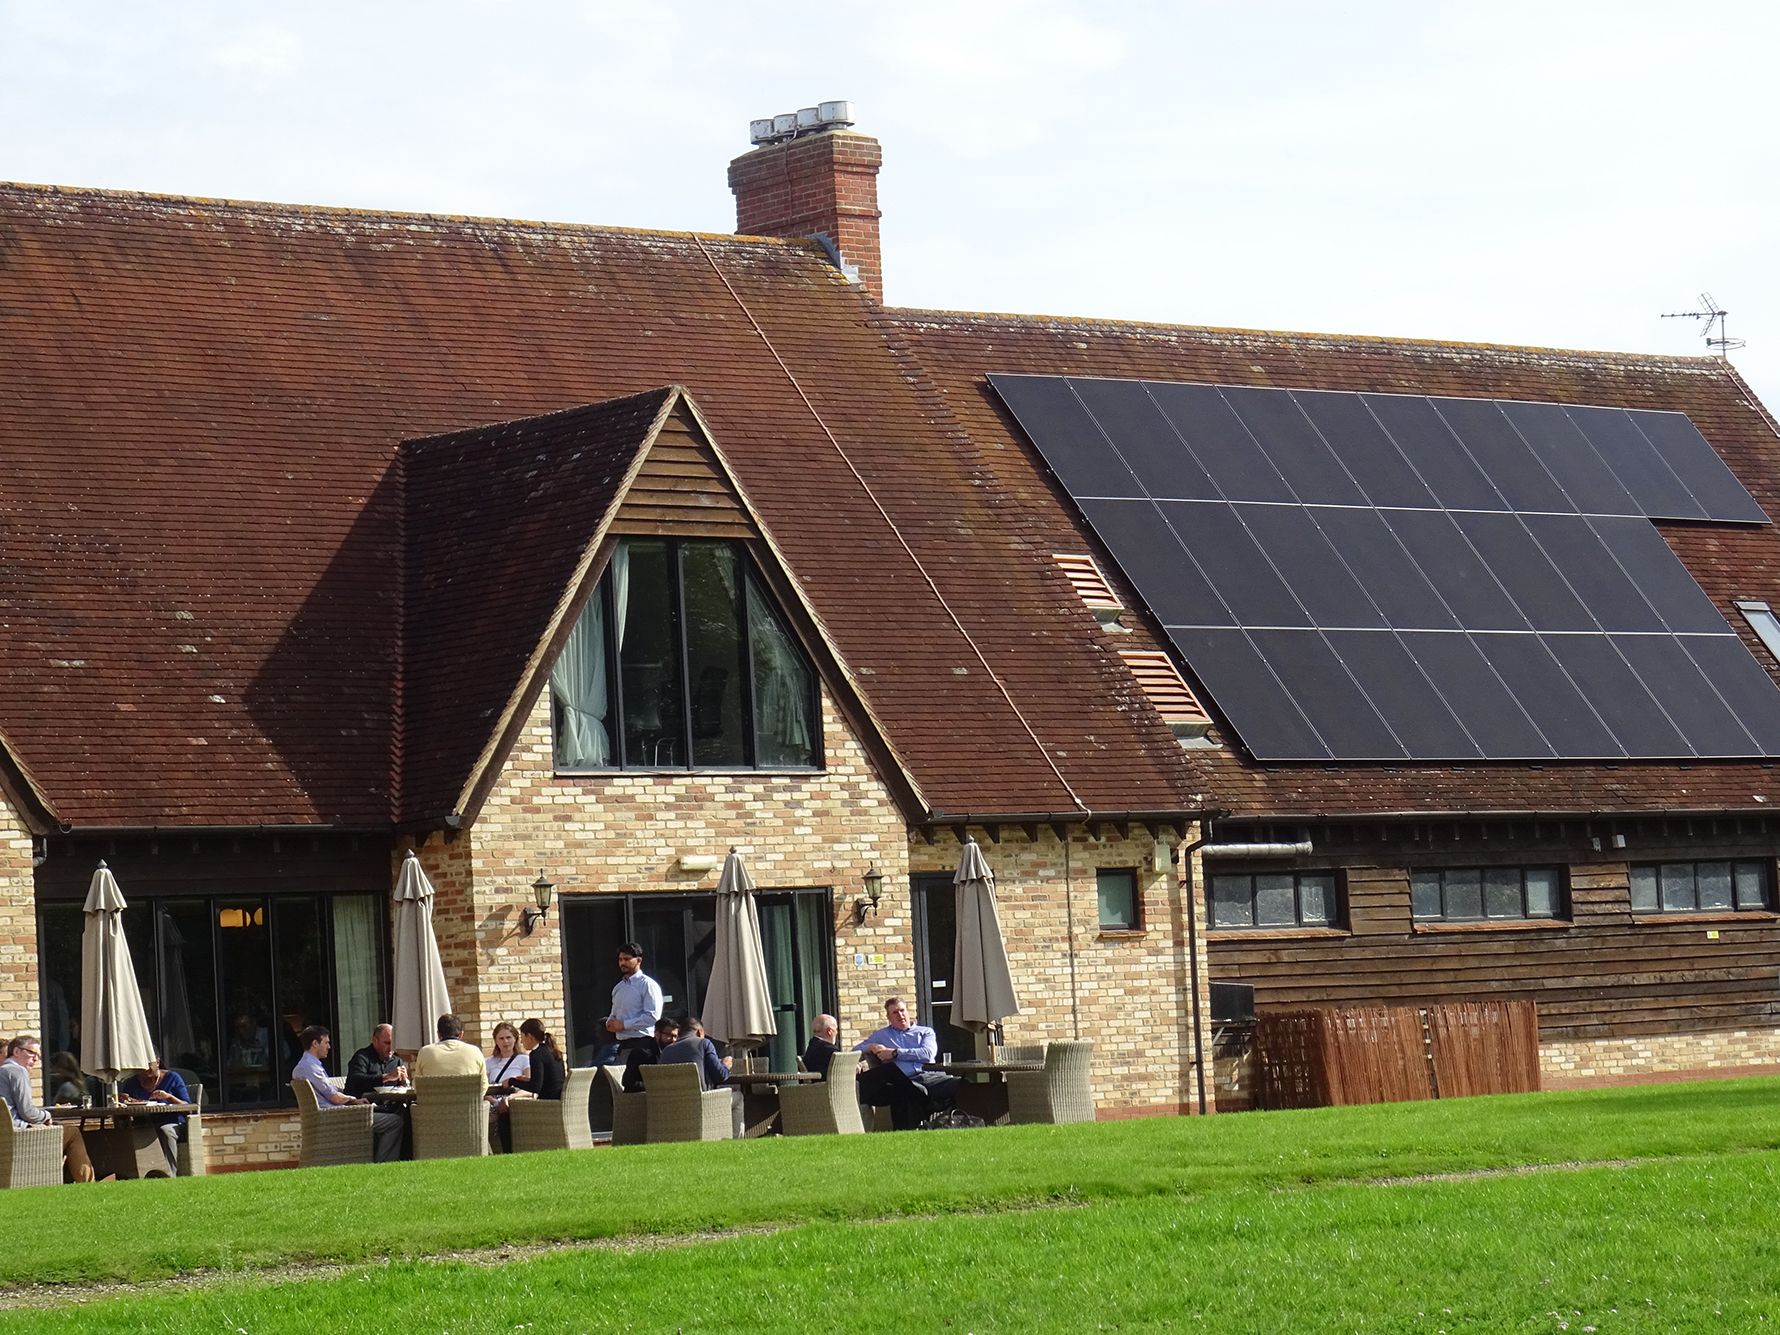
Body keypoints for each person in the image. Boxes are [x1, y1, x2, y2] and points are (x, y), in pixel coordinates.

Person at [292, 1024, 404, 1163]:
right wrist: (354, 1100)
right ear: (315, 1044)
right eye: (326, 1042)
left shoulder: (306, 1066)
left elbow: (331, 1092)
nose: (329, 1047)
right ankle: (383, 1164)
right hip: (336, 1116)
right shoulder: (311, 1067)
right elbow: (334, 1097)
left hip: (330, 1113)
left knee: (395, 1114)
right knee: (395, 1122)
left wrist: (352, 1100)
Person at [854, 997, 961, 1130]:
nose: (900, 1015)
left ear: (908, 1012)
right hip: (903, 1080)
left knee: (961, 1083)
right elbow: (854, 1051)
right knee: (905, 1085)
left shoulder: (925, 1032)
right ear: (888, 1017)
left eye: (902, 1010)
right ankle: (927, 1114)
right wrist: (871, 1046)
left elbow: (927, 1054)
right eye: (895, 1013)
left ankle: (964, 1123)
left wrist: (895, 1053)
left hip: (929, 1076)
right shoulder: (881, 1035)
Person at [1, 1035, 94, 1181]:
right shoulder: (17, 1071)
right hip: (19, 1137)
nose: (35, 1059)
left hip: (4, 1137)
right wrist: (47, 1116)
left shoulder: (3, 1071)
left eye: (38, 1055)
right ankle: (89, 1184)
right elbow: (28, 1113)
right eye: (31, 1053)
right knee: (72, 1133)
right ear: (17, 1052)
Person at [118, 1056, 190, 1176]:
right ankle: (130, 1174)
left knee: (165, 1130)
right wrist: (123, 1100)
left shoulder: (172, 1078)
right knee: (127, 1132)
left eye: (148, 1064)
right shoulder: (132, 1082)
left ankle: (169, 1175)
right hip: (143, 1123)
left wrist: (169, 1097)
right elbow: (124, 1111)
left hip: (173, 1123)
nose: (145, 1070)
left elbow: (188, 1106)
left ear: (157, 1061)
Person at [604, 943, 663, 1058]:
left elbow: (652, 1017)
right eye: (620, 959)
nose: (622, 963)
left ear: (638, 961)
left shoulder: (647, 985)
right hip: (622, 1045)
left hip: (643, 1044)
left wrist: (624, 1025)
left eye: (627, 959)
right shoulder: (618, 988)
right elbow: (614, 1014)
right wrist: (609, 1023)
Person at [658, 1016, 731, 1091]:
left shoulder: (666, 1051)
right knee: (738, 1096)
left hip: (671, 1101)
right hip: (701, 1100)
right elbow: (720, 1076)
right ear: (700, 1032)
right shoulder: (704, 1043)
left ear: (679, 1033)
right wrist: (725, 1065)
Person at [344, 1023, 408, 1097]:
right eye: (387, 1043)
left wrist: (404, 1083)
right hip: (365, 1105)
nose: (391, 1047)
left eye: (393, 1043)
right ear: (375, 1041)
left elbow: (402, 1086)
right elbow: (356, 1080)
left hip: (391, 1105)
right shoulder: (362, 1057)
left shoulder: (397, 1061)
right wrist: (386, 1077)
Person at [413, 1014, 486, 1079]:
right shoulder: (475, 1051)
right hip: (469, 1094)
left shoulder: (425, 1052)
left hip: (436, 1094)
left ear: (438, 1034)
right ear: (461, 1034)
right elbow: (483, 1085)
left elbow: (417, 1085)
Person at [622, 1017, 681, 1094]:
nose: (673, 1040)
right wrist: (656, 1086)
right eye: (669, 1035)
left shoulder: (674, 1053)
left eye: (675, 1036)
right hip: (639, 1099)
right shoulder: (641, 1053)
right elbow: (628, 1082)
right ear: (657, 1034)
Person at [517, 1019, 565, 1101]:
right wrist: (529, 1080)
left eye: (522, 1037)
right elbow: (550, 1080)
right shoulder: (553, 1050)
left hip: (547, 1103)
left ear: (529, 1037)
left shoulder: (536, 1054)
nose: (521, 1041)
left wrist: (512, 1082)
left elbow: (535, 1088)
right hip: (560, 1099)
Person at [484, 1021, 531, 1095]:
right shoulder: (488, 1062)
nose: (505, 1041)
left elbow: (530, 1088)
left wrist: (512, 1098)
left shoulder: (525, 1060)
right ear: (496, 1040)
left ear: (515, 1039)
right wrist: (496, 1103)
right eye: (501, 1038)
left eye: (508, 1037)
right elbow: (483, 1090)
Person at [803, 1013, 839, 1079]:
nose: (837, 1032)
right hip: (829, 1087)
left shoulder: (813, 1047)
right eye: (836, 1029)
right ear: (830, 1031)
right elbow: (842, 1070)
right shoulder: (829, 1050)